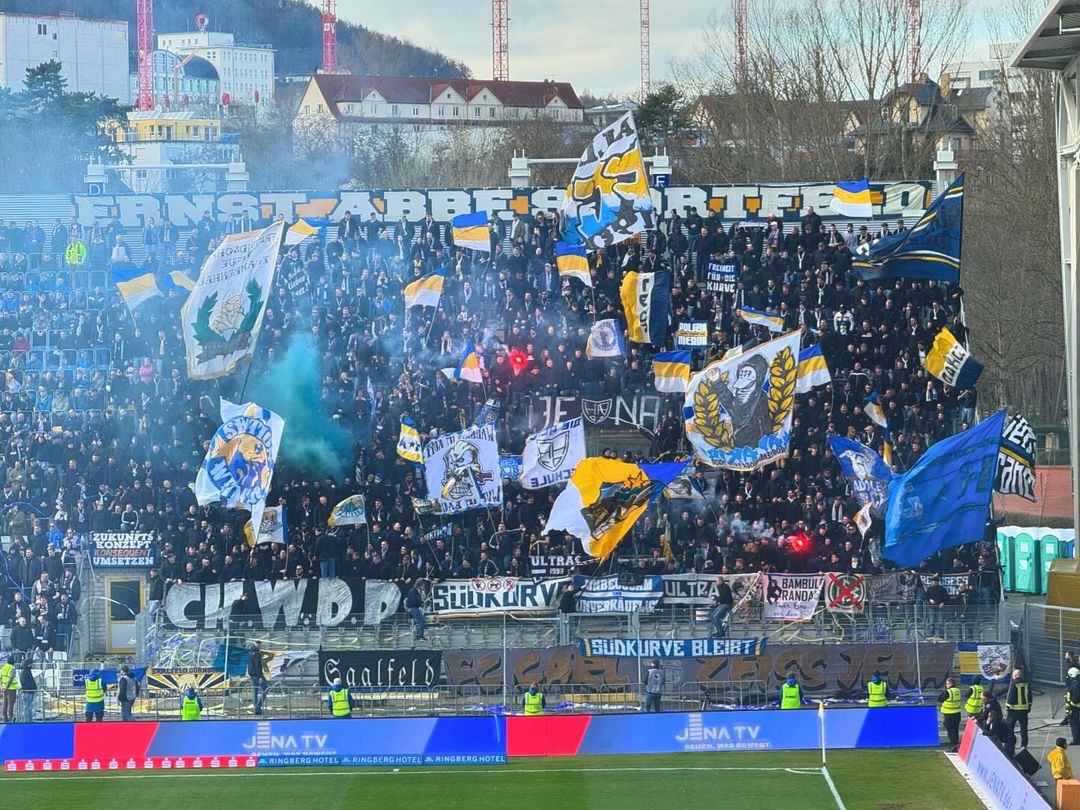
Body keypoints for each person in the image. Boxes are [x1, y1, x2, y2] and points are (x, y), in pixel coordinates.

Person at [1005, 667, 1031, 749]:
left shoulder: (1014, 683)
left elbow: (1011, 696)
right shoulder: (1026, 683)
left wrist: (1007, 706)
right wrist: (1028, 706)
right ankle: (1024, 745)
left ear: (1015, 675)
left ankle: (1010, 743)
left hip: (1013, 710)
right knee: (1024, 728)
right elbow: (1029, 696)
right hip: (1024, 710)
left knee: (1010, 728)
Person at [938, 676, 962, 750]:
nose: (946, 685)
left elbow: (939, 699)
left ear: (950, 684)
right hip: (957, 713)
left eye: (947, 684)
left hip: (949, 714)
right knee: (955, 730)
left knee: (951, 731)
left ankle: (953, 746)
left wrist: (945, 691)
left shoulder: (948, 692)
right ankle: (956, 745)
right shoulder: (958, 690)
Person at [249, 641, 269, 716]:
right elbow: (258, 666)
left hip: (252, 674)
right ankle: (258, 707)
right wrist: (260, 676)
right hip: (257, 675)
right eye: (260, 645)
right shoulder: (257, 653)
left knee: (255, 691)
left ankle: (256, 708)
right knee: (266, 688)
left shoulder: (250, 652)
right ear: (257, 645)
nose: (260, 646)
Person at [0, 655, 17, 723]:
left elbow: (0, 677)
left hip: (4, 688)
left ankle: (5, 717)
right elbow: (10, 679)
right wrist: (6, 687)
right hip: (11, 688)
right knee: (11, 704)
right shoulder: (12, 668)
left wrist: (1, 686)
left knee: (5, 703)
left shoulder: (3, 667)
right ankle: (11, 718)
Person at [18, 658, 35, 723]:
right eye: (31, 664)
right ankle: (27, 721)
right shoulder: (25, 672)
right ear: (28, 664)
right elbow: (26, 683)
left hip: (29, 692)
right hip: (27, 692)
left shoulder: (26, 671)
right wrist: (33, 688)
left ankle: (29, 721)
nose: (32, 665)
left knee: (28, 707)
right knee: (27, 708)